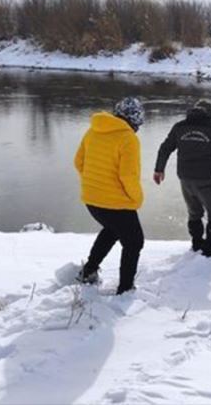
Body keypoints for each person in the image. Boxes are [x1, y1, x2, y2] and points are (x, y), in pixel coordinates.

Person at [154, 100, 211, 257]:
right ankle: (210, 247)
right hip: (206, 179)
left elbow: (165, 148)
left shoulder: (179, 127)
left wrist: (159, 169)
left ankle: (197, 243)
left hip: (185, 178)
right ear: (210, 114)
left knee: (194, 212)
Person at [74, 97, 146, 295]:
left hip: (92, 199)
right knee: (134, 241)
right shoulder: (128, 138)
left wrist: (94, 183)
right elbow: (128, 176)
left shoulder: (94, 130)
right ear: (135, 119)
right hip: (116, 203)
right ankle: (125, 289)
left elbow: (78, 162)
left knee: (112, 230)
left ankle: (88, 271)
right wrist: (137, 199)